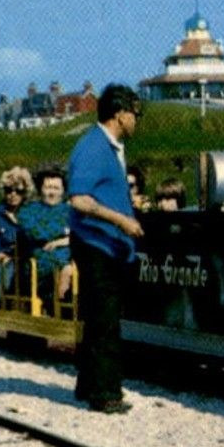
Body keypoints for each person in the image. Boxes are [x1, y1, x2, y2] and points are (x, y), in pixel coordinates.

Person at [67, 84, 145, 413]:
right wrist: (120, 220)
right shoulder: (93, 148)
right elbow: (80, 199)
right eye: (135, 114)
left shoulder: (110, 147)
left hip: (105, 242)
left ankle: (88, 384)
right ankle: (106, 393)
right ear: (119, 113)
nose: (137, 120)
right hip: (97, 242)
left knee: (98, 317)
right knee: (105, 320)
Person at [17, 165, 75, 302]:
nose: (52, 192)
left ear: (63, 191)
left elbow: (85, 235)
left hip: (72, 258)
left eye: (56, 188)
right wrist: (67, 235)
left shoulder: (71, 212)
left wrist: (62, 241)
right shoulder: (29, 211)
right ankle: (59, 304)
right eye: (48, 187)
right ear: (40, 189)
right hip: (40, 260)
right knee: (67, 269)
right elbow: (38, 234)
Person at [0, 166, 32, 300]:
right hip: (4, 260)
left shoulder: (30, 213)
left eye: (19, 191)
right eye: (8, 190)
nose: (13, 194)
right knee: (0, 273)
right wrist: (1, 257)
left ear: (25, 192)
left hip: (27, 261)